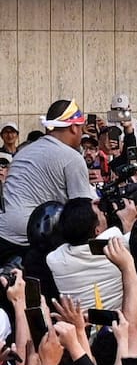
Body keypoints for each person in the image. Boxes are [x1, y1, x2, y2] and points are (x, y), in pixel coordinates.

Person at [0, 99, 95, 260]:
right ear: (73, 127)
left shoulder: (24, 151)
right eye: (80, 127)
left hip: (3, 233)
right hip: (32, 239)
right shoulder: (72, 158)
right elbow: (82, 212)